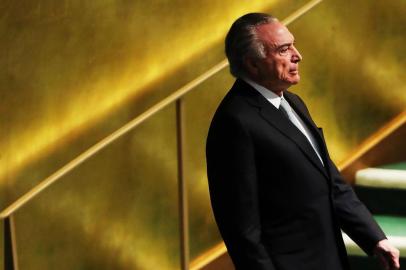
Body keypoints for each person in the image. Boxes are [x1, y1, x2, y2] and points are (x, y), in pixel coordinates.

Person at [206, 13, 400, 270]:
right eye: (284, 50)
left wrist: (375, 238)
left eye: (293, 45)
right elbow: (242, 230)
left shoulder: (293, 103)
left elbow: (330, 182)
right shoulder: (234, 122)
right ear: (253, 64)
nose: (298, 55)